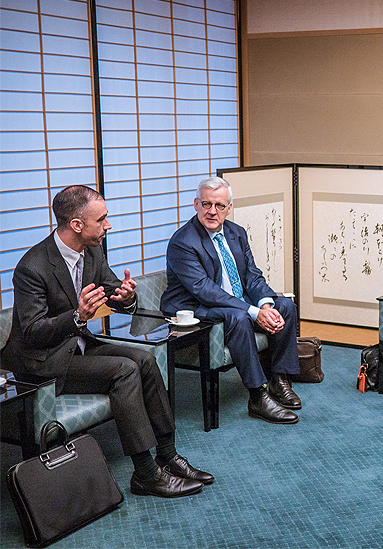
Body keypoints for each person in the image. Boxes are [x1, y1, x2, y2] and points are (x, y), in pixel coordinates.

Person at [1, 185, 213, 497]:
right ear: (77, 225)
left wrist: (126, 297)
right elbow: (32, 331)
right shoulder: (33, 267)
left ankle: (168, 455)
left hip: (78, 347)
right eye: (101, 220)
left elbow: (115, 291)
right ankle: (146, 473)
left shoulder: (92, 251)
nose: (107, 225)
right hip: (43, 364)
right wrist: (77, 315)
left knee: (145, 359)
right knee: (124, 370)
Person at [161, 177, 302, 425]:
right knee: (237, 316)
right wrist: (252, 310)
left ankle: (279, 380)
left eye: (219, 205)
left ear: (229, 207)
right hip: (195, 308)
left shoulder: (236, 233)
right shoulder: (183, 242)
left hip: (235, 301)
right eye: (206, 204)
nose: (212, 211)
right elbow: (205, 290)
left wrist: (266, 305)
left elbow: (252, 276)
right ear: (196, 204)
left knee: (286, 307)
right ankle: (258, 396)